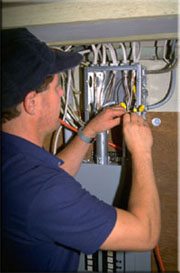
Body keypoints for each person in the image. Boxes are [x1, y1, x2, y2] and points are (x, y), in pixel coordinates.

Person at [1, 28, 161, 272]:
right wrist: (142, 151)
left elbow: (49, 180)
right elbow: (146, 233)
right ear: (32, 103)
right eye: (56, 87)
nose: (62, 93)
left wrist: (88, 132)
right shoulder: (41, 191)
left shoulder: (14, 161)